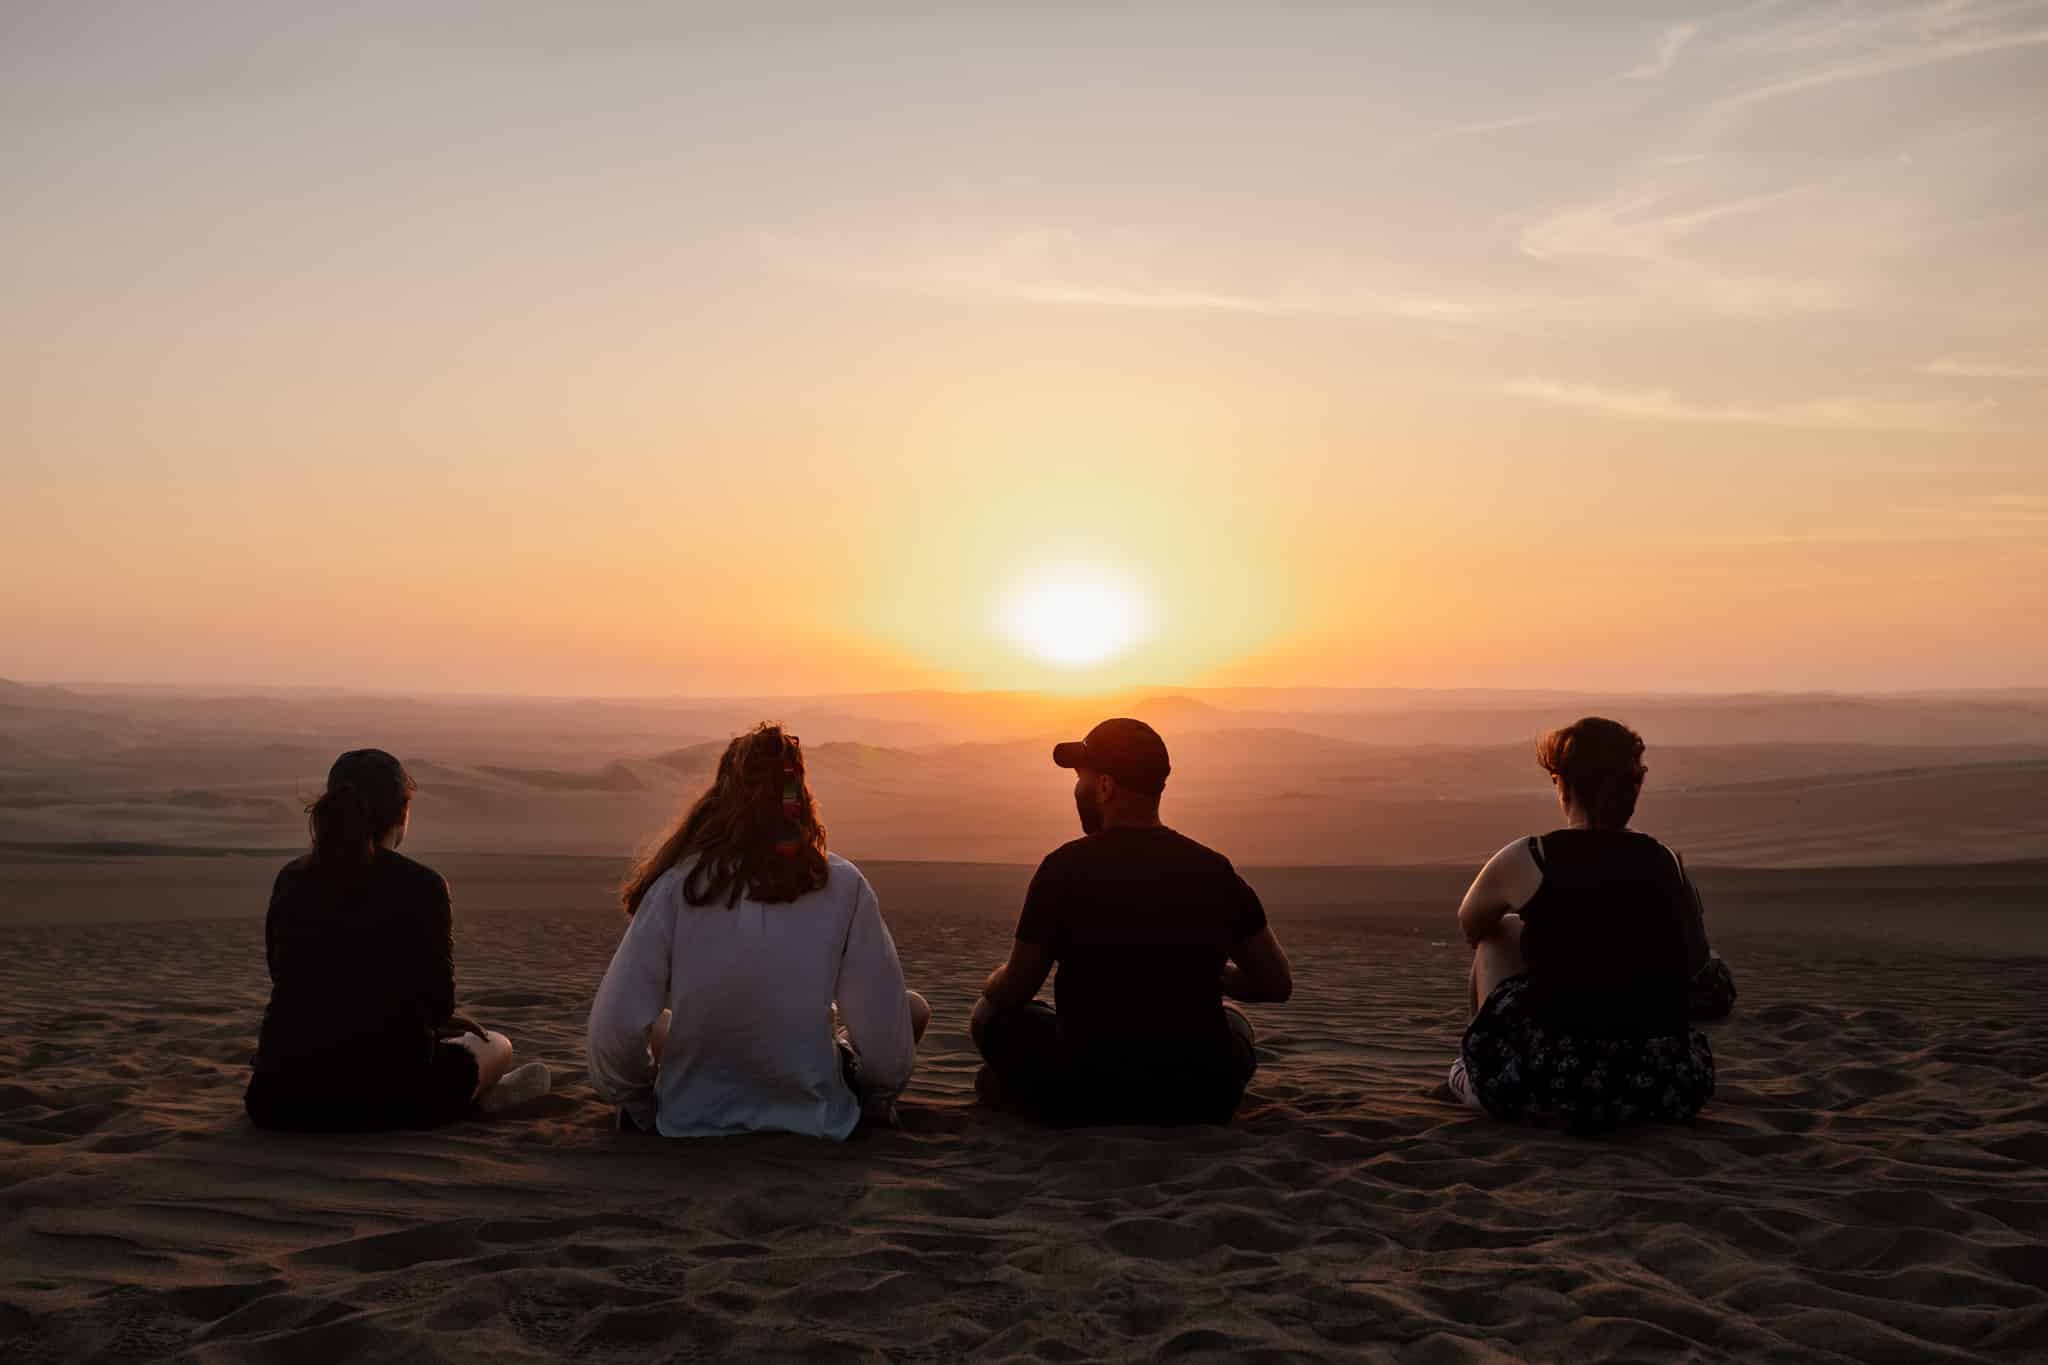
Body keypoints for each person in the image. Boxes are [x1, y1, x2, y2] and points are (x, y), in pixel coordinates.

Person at [586, 724, 930, 1139]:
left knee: (665, 1025)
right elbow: (883, 1029)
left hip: (691, 1114)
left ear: (723, 796)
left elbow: (616, 1028)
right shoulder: (842, 883)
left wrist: (638, 1103)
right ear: (800, 795)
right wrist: (876, 1101)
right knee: (910, 1009)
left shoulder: (678, 885)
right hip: (815, 1113)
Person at [971, 718, 1292, 1125]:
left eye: (1082, 779)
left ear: (1105, 787)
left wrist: (990, 981)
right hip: (1199, 1093)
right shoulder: (1212, 869)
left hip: (1090, 1087)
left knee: (990, 1014)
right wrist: (1204, 974)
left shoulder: (1064, 868)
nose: (1078, 790)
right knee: (1234, 1023)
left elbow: (1015, 988)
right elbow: (1276, 983)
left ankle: (1020, 1091)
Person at [245, 749, 550, 1132]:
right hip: (388, 1100)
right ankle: (485, 1099)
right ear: (402, 813)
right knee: (497, 1045)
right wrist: (429, 1021)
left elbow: (283, 975)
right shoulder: (423, 885)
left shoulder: (292, 876)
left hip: (278, 1098)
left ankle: (480, 1096)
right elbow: (440, 1002)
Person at [1447, 717, 1719, 1133]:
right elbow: (1697, 966)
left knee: (1496, 936)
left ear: (1562, 783)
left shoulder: (1533, 856)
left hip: (1551, 1080)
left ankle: (1478, 1069)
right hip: (1666, 1084)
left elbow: (1471, 922)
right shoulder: (1666, 863)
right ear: (1634, 788)